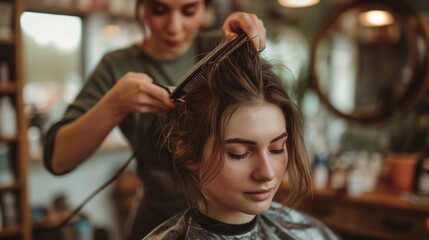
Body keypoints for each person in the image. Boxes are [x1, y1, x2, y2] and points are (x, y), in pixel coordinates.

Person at [42, 0, 266, 239]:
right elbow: (58, 159)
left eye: (188, 11)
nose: (174, 26)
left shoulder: (221, 50)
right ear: (141, 8)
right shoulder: (116, 67)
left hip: (234, 221)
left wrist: (244, 43)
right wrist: (114, 105)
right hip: (157, 222)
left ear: (204, 8)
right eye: (160, 10)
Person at [144, 37, 340, 239]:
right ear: (190, 153)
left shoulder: (311, 233)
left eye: (277, 148)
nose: (267, 173)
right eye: (240, 153)